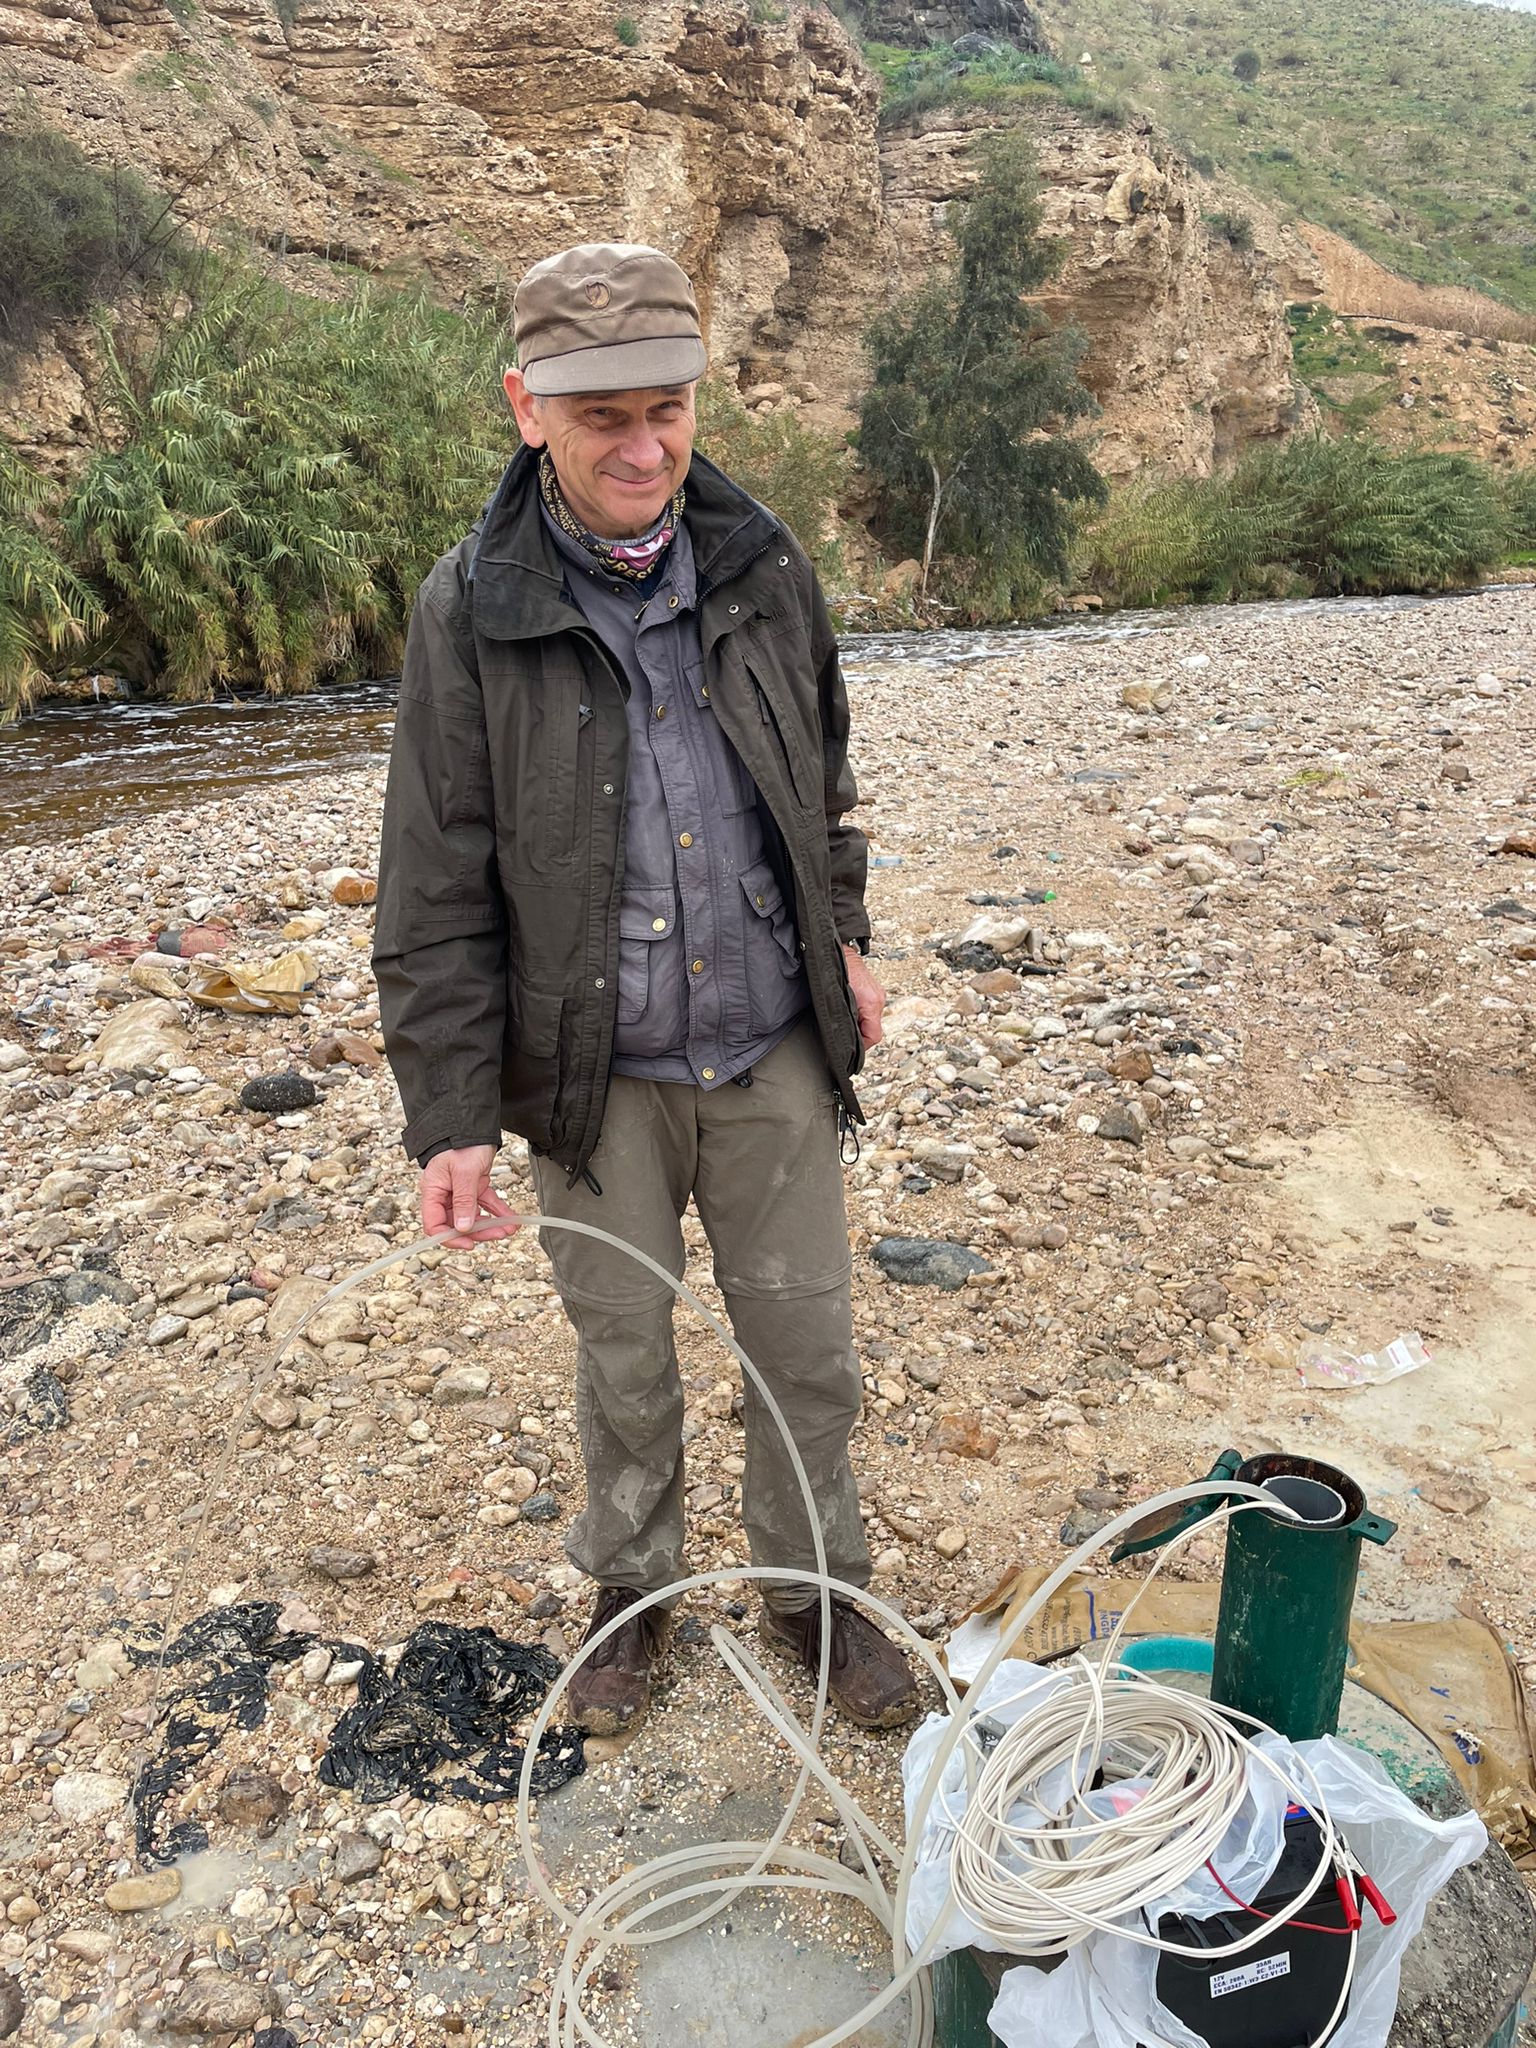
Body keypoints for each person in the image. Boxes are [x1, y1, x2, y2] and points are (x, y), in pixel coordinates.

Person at [372, 242, 917, 1736]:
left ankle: (815, 1599)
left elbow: (826, 783)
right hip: (590, 1069)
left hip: (773, 1048)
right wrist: (451, 1118)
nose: (643, 445)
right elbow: (433, 878)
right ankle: (635, 1595)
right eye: (601, 413)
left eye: (665, 407)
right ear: (524, 407)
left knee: (803, 1344)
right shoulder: (467, 608)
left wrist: (846, 934)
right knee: (625, 1355)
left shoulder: (766, 565)